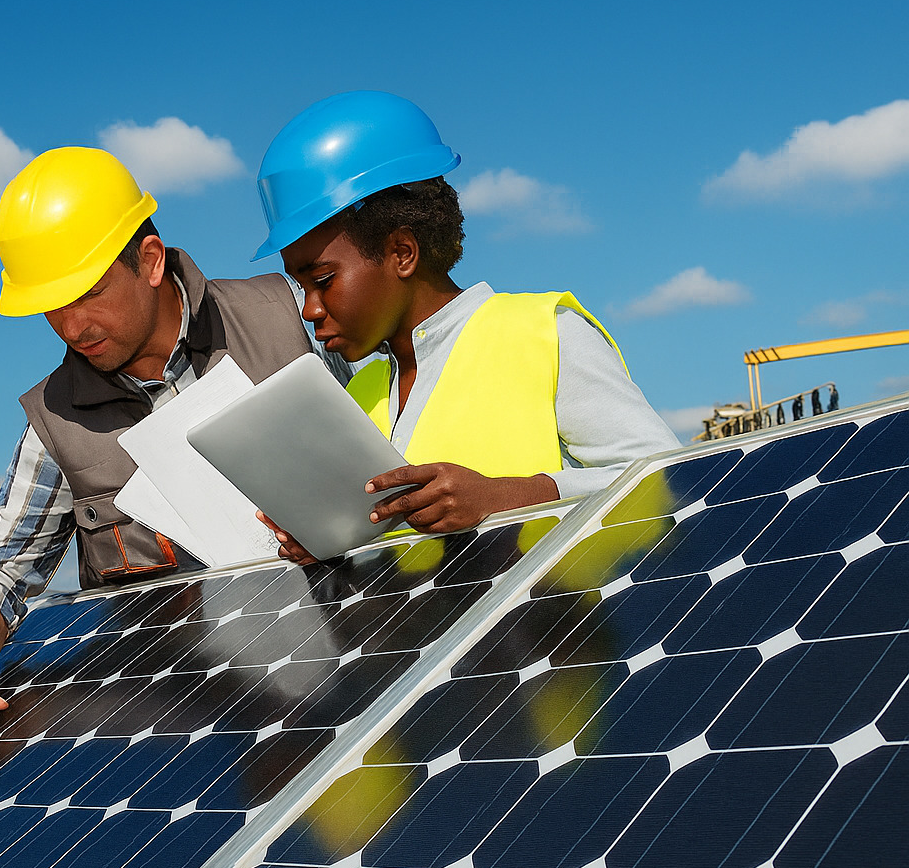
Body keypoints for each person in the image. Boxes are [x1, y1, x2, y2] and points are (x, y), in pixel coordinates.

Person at [0, 146, 346, 769]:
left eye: (87, 293)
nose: (71, 324)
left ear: (150, 261)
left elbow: (398, 466)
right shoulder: (57, 420)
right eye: (49, 307)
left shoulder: (293, 320)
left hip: (363, 678)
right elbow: (2, 566)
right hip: (190, 742)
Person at [250, 91, 678, 563]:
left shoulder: (544, 333)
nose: (309, 309)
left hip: (553, 632)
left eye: (323, 280)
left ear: (401, 253)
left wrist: (511, 498)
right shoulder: (361, 393)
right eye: (301, 286)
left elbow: (673, 484)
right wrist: (323, 543)